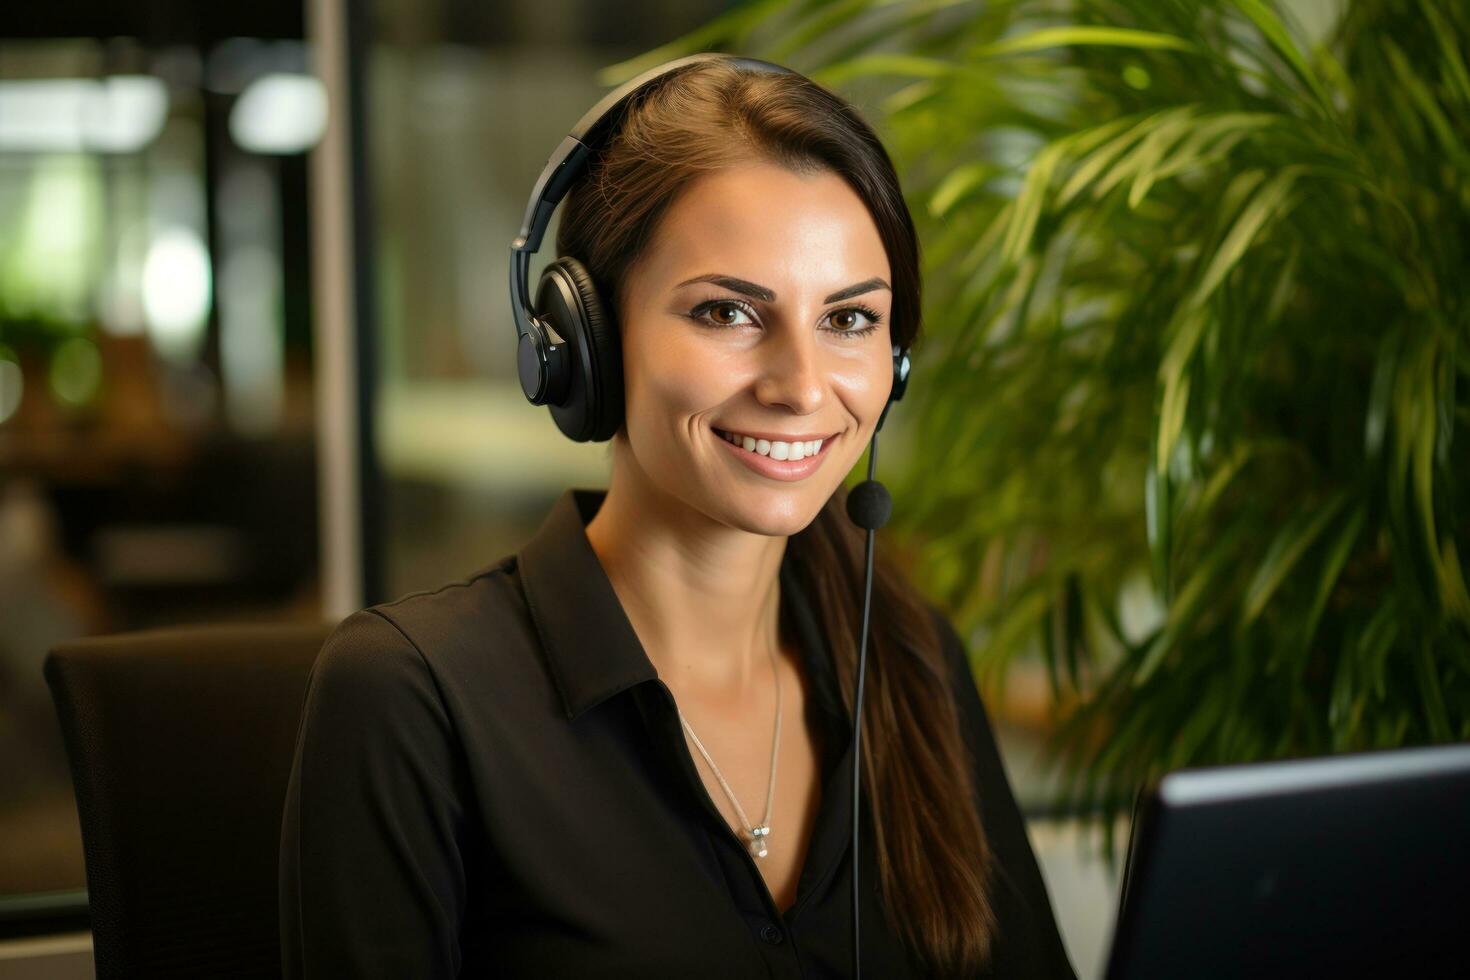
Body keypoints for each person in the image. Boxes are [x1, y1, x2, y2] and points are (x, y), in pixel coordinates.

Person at [279, 56, 1078, 980]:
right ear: (582, 345)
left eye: (850, 321)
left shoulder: (908, 657)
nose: (803, 387)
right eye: (728, 311)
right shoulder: (412, 699)